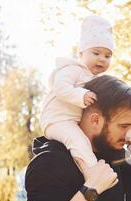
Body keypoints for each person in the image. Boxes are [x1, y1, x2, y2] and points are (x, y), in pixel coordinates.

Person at [40, 15, 115, 168]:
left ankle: (91, 168)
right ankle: (93, 172)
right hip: (57, 120)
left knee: (87, 142)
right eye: (96, 53)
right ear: (80, 54)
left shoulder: (93, 79)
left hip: (72, 121)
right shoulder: (72, 69)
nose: (102, 59)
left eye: (108, 56)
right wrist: (81, 95)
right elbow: (60, 88)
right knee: (79, 142)